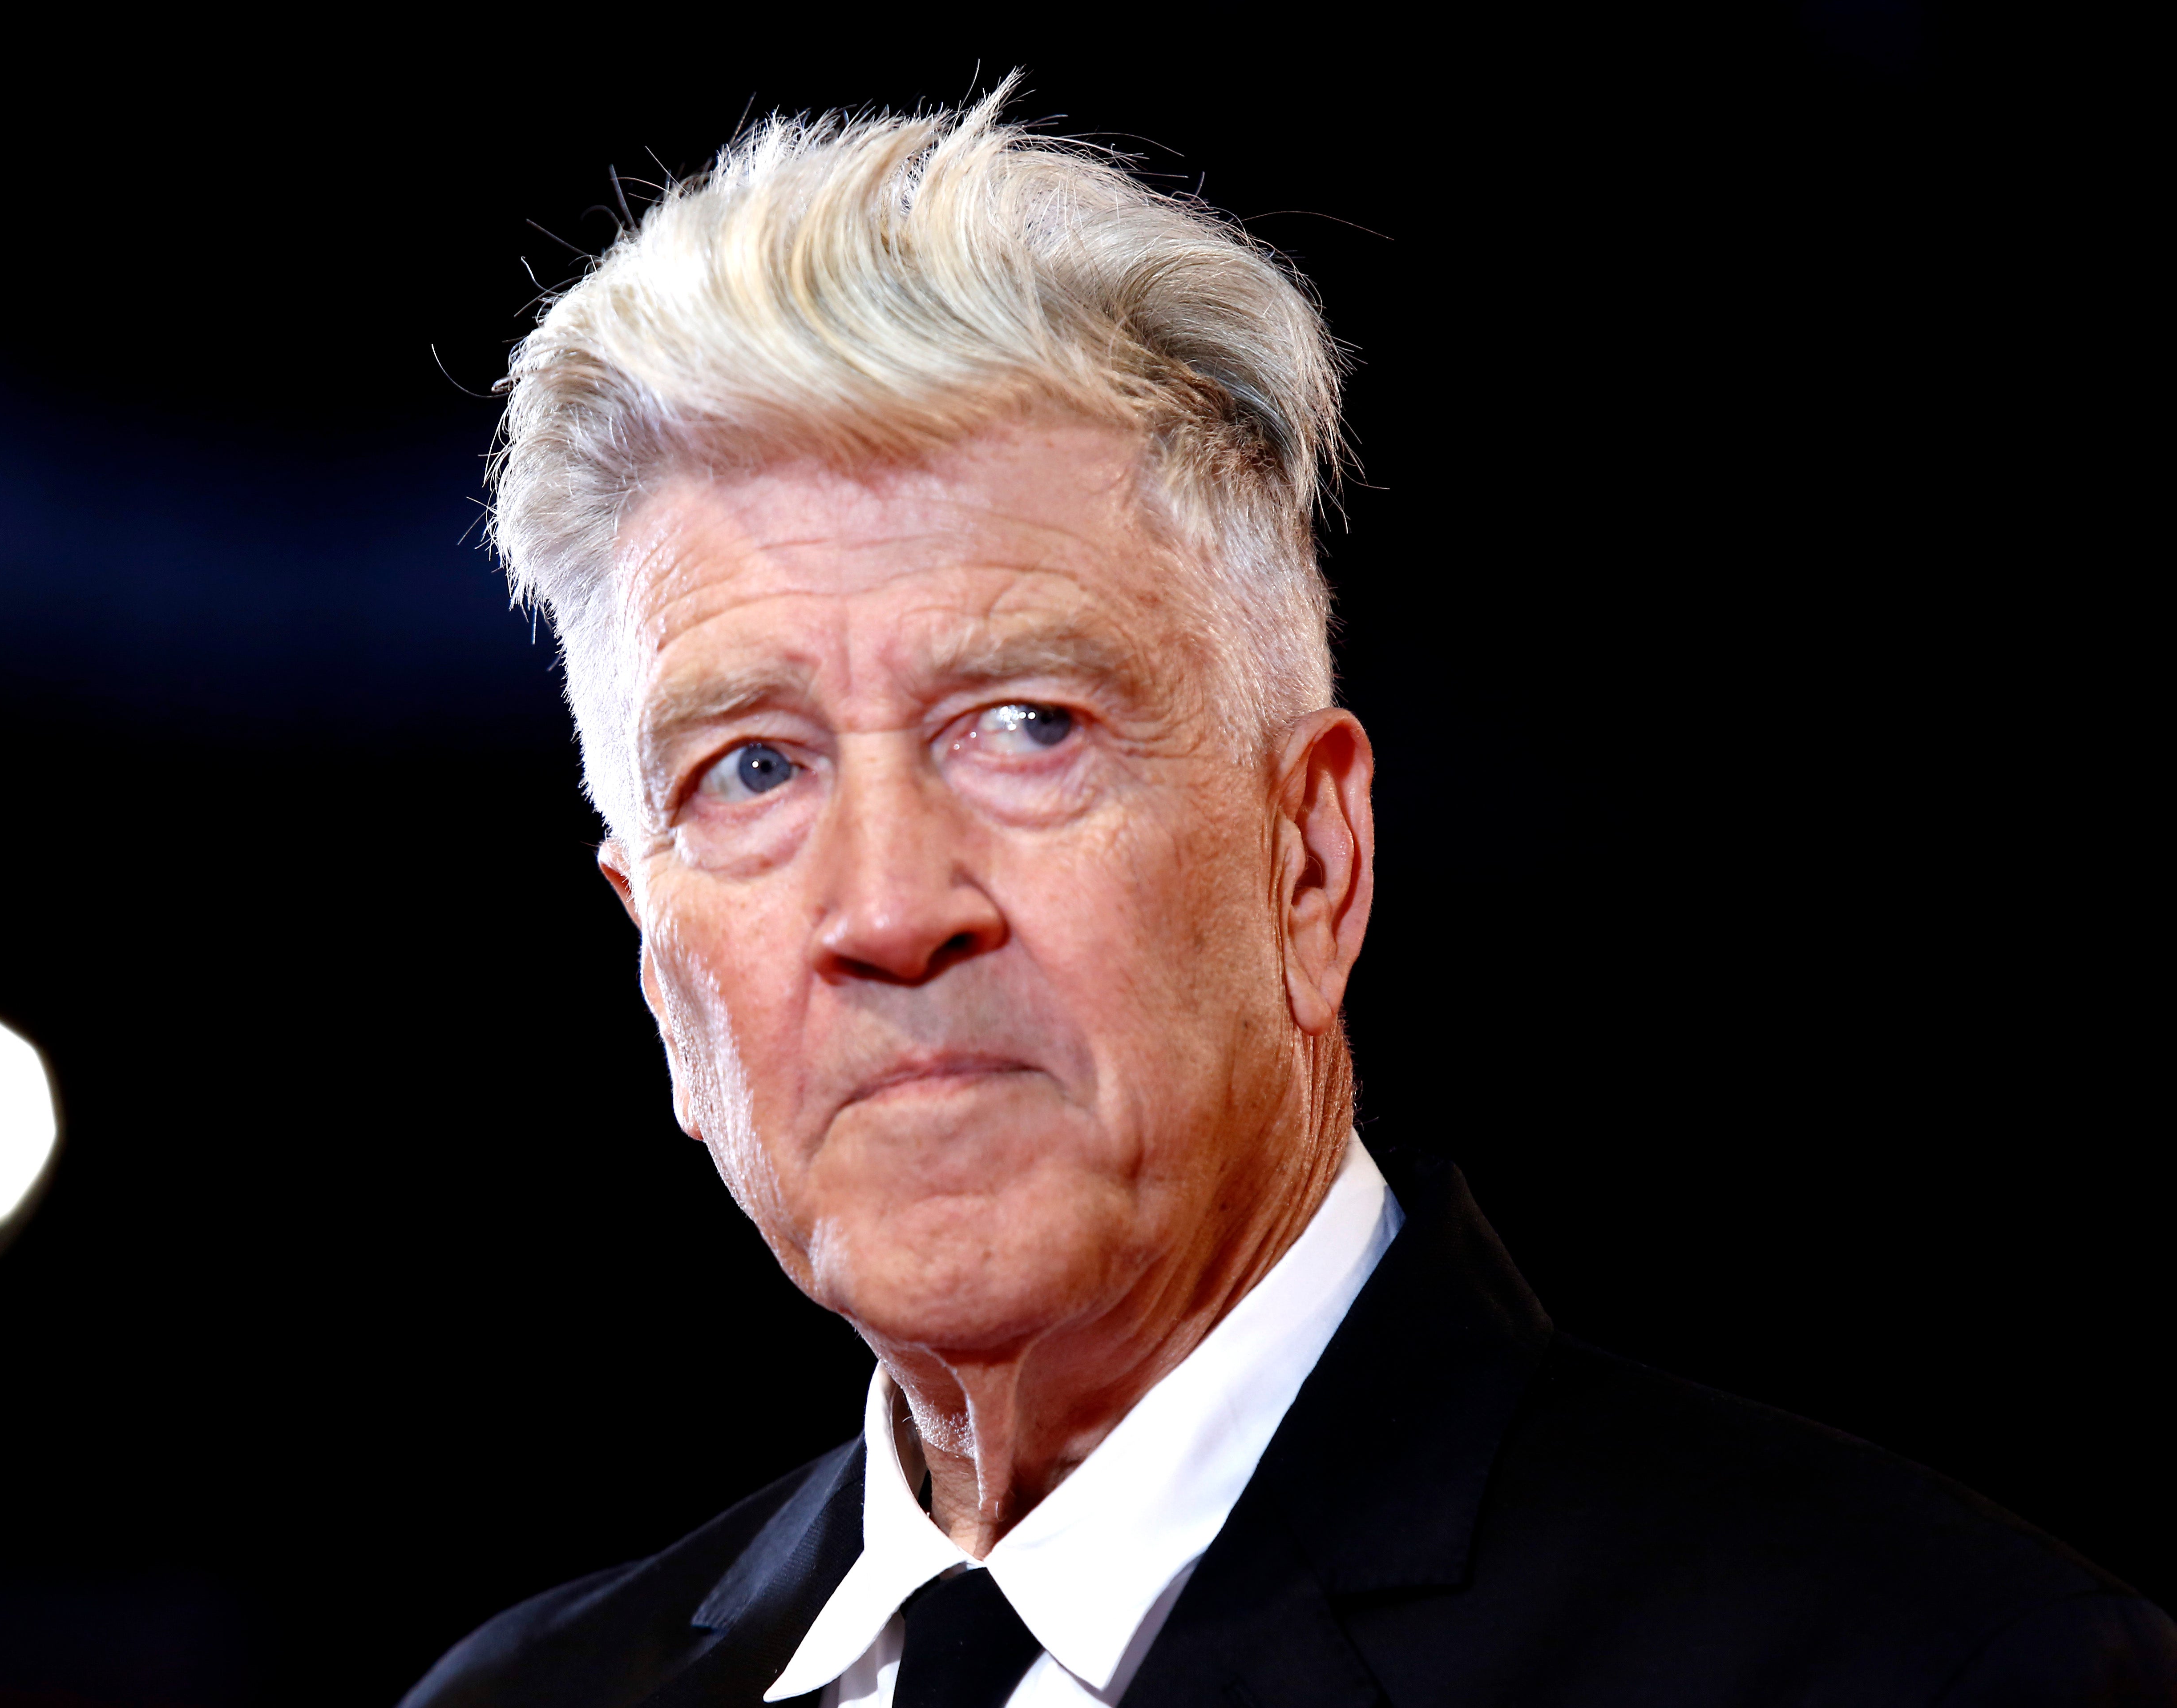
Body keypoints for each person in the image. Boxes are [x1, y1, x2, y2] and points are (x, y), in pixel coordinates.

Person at [401, 89, 2175, 1707]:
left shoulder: (1915, 1672)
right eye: (753, 771)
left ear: (1313, 859)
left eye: (1027, 726)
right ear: (661, 972)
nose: (887, 910)